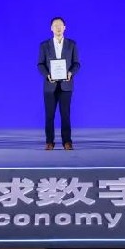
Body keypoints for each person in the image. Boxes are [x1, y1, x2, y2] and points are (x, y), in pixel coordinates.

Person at [37, 17, 81, 150]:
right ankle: (49, 141)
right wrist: (47, 75)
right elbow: (40, 64)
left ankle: (67, 141)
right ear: (51, 28)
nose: (58, 28)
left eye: (60, 25)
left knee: (65, 115)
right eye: (55, 25)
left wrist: (70, 73)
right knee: (49, 115)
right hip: (50, 85)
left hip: (66, 85)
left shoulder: (72, 44)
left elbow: (77, 64)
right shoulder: (44, 45)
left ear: (64, 28)